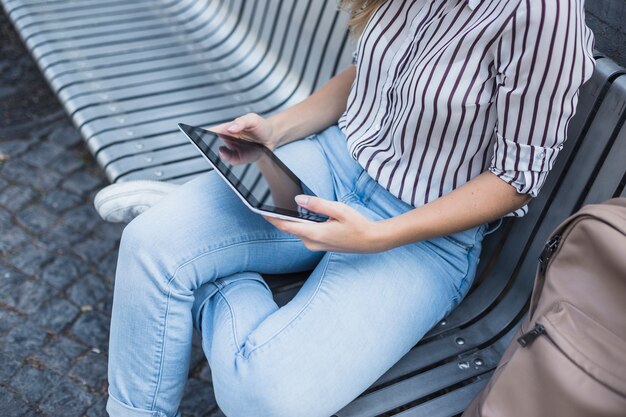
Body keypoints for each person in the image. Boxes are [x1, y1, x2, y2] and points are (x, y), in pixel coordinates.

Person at [103, 1, 595, 416]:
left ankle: (214, 267)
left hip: (422, 235)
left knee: (263, 400)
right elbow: (370, 75)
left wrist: (379, 236)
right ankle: (190, 241)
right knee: (151, 242)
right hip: (332, 162)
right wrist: (276, 129)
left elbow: (517, 179)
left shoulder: (543, 15)